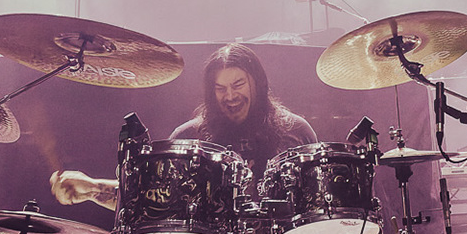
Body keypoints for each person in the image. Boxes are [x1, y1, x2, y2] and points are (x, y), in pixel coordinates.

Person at [51, 42, 318, 206]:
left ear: (258, 84)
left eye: (238, 85)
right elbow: (156, 200)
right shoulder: (189, 138)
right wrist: (92, 188)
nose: (230, 96)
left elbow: (321, 205)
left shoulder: (295, 130)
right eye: (220, 88)